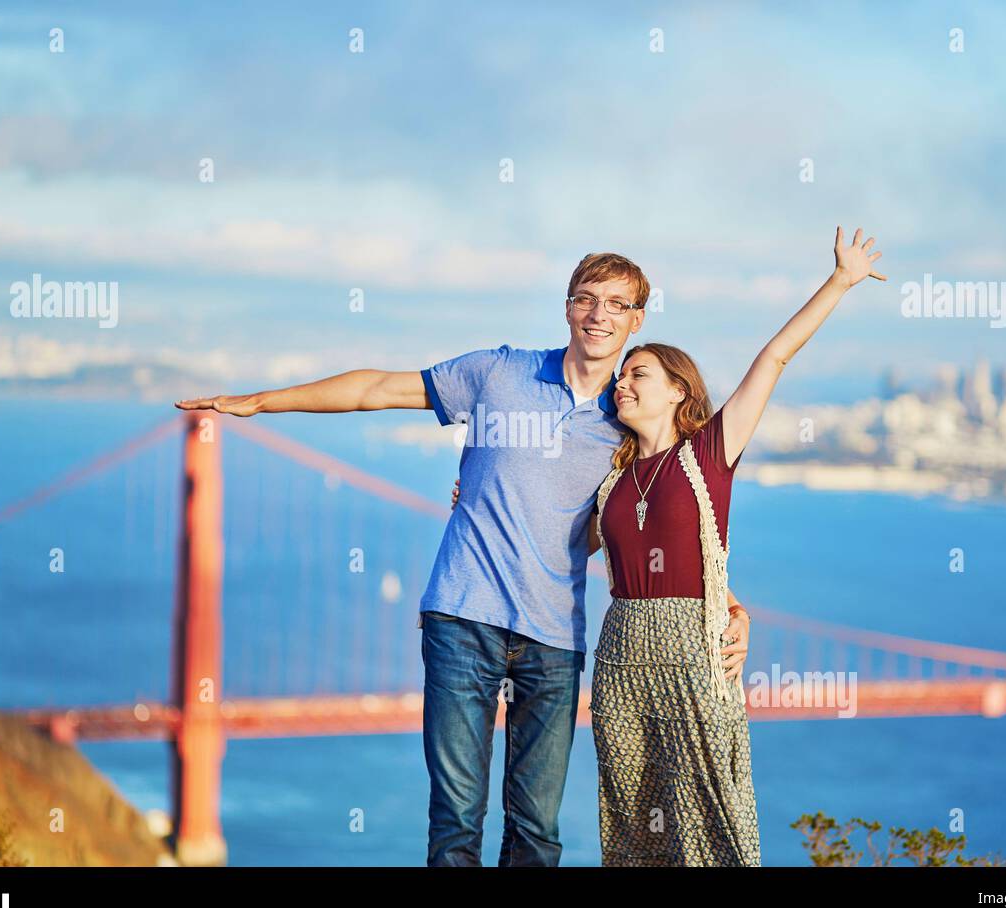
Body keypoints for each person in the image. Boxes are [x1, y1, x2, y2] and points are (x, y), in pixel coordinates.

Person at [176, 251, 754, 866]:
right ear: (567, 307)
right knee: (455, 822)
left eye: (617, 305)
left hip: (554, 640)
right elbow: (378, 388)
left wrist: (732, 606)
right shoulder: (498, 372)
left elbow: (667, 527)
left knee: (536, 832)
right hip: (462, 619)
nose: (599, 315)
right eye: (587, 298)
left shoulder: (629, 416)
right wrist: (262, 402)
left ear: (637, 320)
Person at [586, 226, 885, 865]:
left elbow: (774, 356)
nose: (624, 385)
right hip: (617, 657)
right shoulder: (610, 479)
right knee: (633, 825)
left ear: (678, 391)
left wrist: (841, 280)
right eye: (621, 379)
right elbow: (547, 538)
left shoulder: (709, 454)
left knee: (711, 819)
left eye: (639, 374)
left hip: (694, 652)